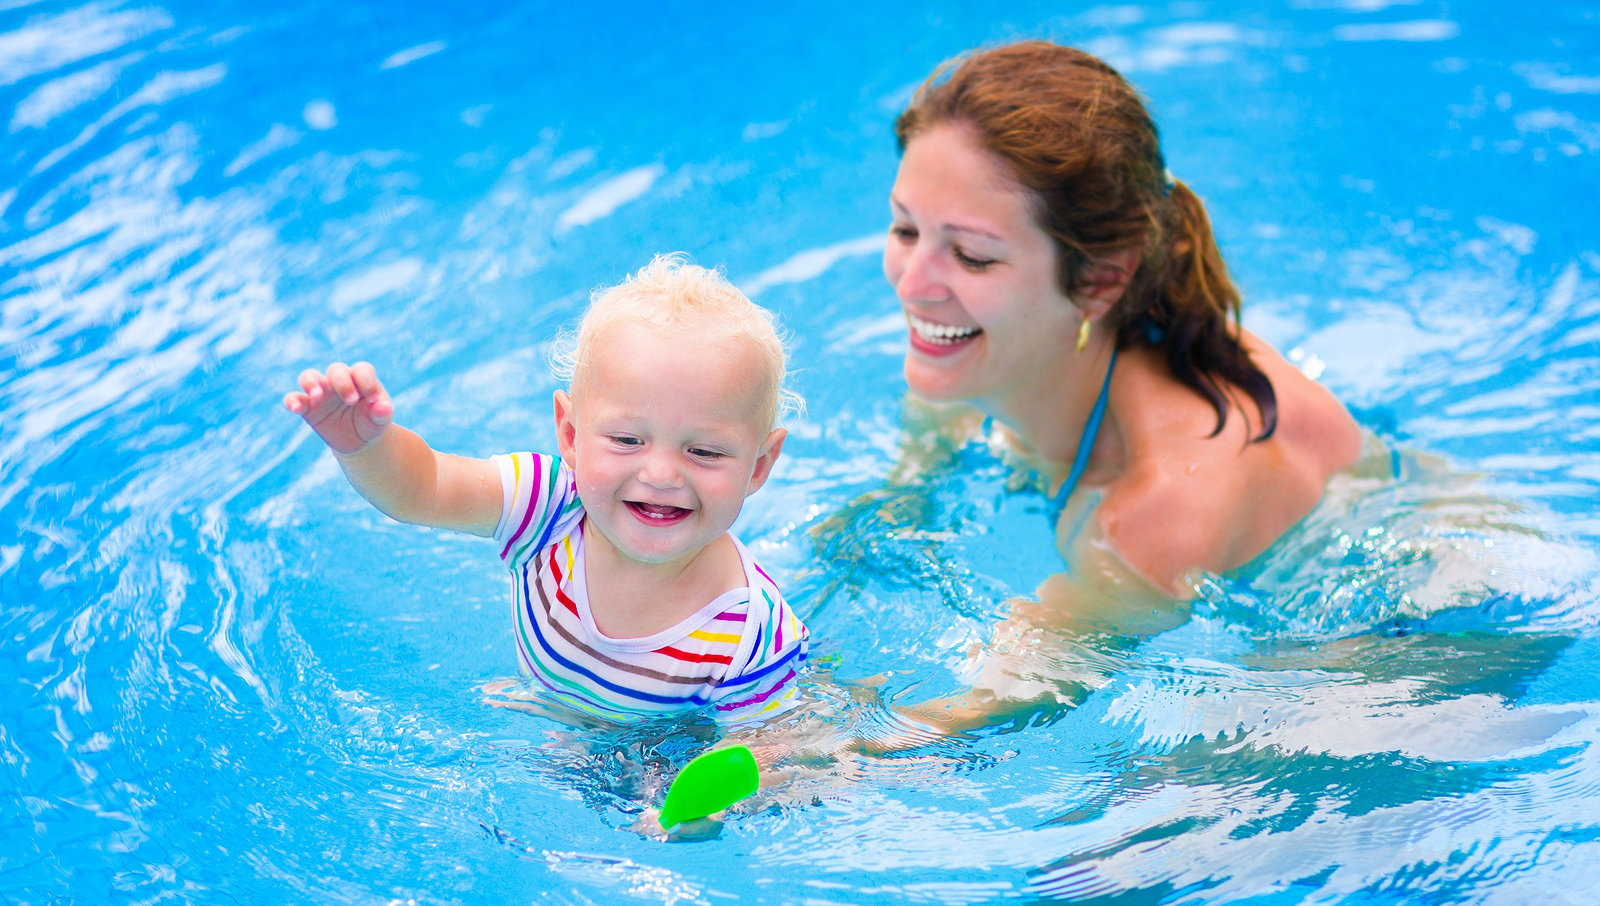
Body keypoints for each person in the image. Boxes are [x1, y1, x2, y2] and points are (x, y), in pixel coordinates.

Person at [872, 40, 1365, 728]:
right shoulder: (974, 354)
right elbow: (925, 440)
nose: (913, 284)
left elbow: (974, 716)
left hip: (1415, 649)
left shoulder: (1152, 512)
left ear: (1102, 281)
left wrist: (795, 757)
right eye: (903, 228)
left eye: (973, 256)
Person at [282, 254, 809, 726]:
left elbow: (765, 752)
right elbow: (423, 489)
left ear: (760, 465)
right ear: (571, 434)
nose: (662, 474)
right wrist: (366, 448)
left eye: (706, 452)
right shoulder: (548, 508)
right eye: (627, 439)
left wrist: (692, 807)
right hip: (544, 709)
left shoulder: (752, 633)